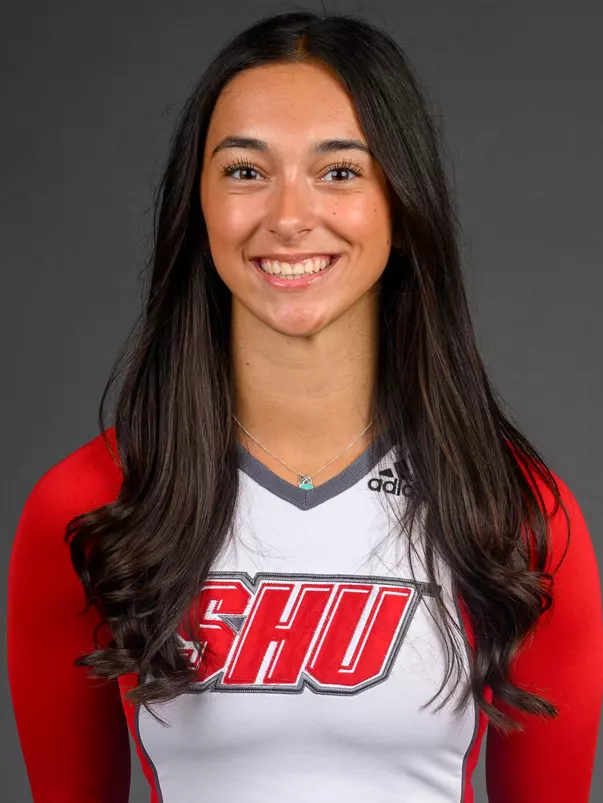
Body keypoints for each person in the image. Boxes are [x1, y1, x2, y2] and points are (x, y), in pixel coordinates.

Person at [7, 9, 603, 803]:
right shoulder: (89, 508)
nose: (288, 219)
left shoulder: (514, 515)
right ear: (199, 207)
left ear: (402, 202)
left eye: (339, 171)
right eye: (246, 172)